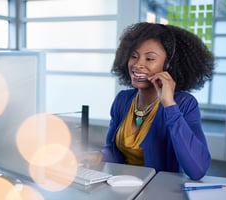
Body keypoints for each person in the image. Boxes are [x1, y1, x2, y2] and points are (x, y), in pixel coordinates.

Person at [82, 22, 214, 180]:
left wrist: (169, 105)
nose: (137, 65)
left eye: (149, 58)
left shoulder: (184, 104)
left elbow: (197, 170)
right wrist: (99, 156)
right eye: (134, 56)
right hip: (122, 186)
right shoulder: (123, 100)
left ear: (169, 66)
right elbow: (114, 152)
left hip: (158, 191)